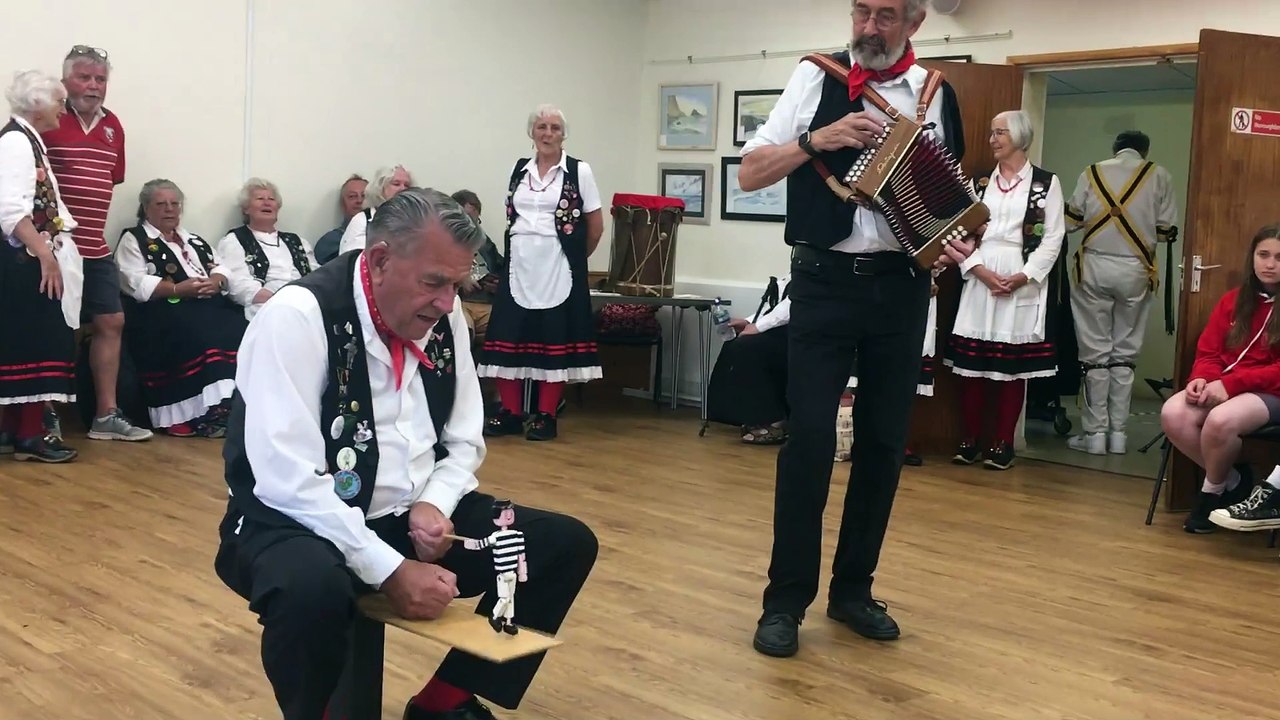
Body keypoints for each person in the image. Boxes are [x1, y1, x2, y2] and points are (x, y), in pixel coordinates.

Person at [213, 188, 597, 720]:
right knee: (311, 589)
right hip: (292, 522)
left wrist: (435, 502)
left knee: (561, 545)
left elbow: (464, 438)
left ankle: (443, 703)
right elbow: (285, 478)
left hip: (406, 518)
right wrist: (389, 569)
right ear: (379, 261)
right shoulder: (298, 315)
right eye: (433, 282)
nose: (446, 301)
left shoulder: (445, 311)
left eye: (456, 285)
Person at [737, 0, 972, 658]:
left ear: (915, 23)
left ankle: (852, 593)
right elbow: (751, 171)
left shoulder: (936, 94)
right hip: (823, 285)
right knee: (809, 442)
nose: (868, 27)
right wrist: (821, 139)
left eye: (886, 15)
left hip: (902, 291)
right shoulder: (814, 77)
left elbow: (942, 202)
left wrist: (949, 240)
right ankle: (784, 602)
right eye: (861, 11)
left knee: (882, 444)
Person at [40, 45, 152, 442]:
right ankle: (44, 416)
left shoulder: (113, 126)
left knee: (111, 321)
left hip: (95, 246)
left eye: (100, 79)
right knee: (52, 329)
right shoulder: (48, 116)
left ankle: (106, 414)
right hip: (54, 247)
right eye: (85, 77)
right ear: (65, 80)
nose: (93, 86)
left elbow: (111, 178)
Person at [945, 110, 1065, 470]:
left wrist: (1024, 276)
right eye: (991, 133)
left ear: (1020, 137)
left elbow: (1054, 236)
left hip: (1021, 277)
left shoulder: (1046, 183)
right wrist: (977, 269)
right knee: (973, 366)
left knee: (1011, 369)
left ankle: (1002, 442)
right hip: (980, 272)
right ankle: (969, 439)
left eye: (1000, 133)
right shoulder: (979, 183)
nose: (993, 139)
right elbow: (958, 232)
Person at [477, 105, 604, 442]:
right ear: (532, 132)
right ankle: (511, 412)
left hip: (558, 265)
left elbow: (595, 226)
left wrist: (573, 259)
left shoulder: (579, 171)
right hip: (519, 264)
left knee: (553, 337)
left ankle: (546, 415)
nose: (548, 133)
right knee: (509, 334)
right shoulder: (520, 169)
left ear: (564, 134)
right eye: (542, 127)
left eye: (555, 128)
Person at [1065, 130, 1179, 455]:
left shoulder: (1092, 171)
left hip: (1094, 268)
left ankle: (1095, 435)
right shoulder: (1160, 175)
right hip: (1137, 270)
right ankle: (1119, 435)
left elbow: (1072, 219)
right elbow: (1166, 230)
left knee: (1094, 355)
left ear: (1115, 150)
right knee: (1125, 355)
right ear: (1145, 150)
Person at [1161, 225, 1280, 533]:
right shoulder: (1233, 300)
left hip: (1271, 391)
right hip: (1226, 384)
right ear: (1251, 258)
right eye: (1263, 255)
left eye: (1279, 257)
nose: (1270, 264)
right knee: (1174, 413)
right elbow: (1209, 351)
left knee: (1221, 421)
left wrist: (1230, 385)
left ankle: (1210, 494)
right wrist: (1202, 377)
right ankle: (1234, 482)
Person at [114, 178, 246, 437]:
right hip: (161, 311)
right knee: (199, 332)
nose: (169, 209)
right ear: (146, 208)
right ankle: (201, 413)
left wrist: (216, 282)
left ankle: (230, 406)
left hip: (206, 306)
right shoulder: (134, 239)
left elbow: (219, 267)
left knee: (240, 328)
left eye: (175, 204)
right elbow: (133, 281)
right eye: (161, 204)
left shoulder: (193, 239)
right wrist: (177, 290)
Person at [0, 70, 80, 463]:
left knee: (26, 343)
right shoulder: (16, 142)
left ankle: (13, 430)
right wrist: (45, 255)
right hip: (23, 260)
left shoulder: (28, 141)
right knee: (35, 343)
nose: (64, 109)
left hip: (28, 257)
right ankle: (29, 434)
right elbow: (11, 210)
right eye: (59, 101)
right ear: (37, 103)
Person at [706, 273, 792, 445]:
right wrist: (748, 322)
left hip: (803, 333)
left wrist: (758, 327)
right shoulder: (795, 269)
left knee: (748, 347)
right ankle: (735, 414)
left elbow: (794, 304)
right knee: (735, 342)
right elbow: (776, 305)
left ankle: (773, 420)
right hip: (782, 329)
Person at [217, 177, 318, 322]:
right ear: (246, 208)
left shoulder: (298, 241)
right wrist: (278, 300)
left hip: (305, 303)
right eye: (259, 198)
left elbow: (316, 275)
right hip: (264, 308)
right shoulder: (235, 240)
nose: (267, 202)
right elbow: (237, 284)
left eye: (271, 198)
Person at [451, 189, 505, 340]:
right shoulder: (442, 240)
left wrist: (499, 285)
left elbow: (502, 267)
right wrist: (460, 280)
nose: (472, 226)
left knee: (507, 329)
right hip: (460, 304)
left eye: (476, 221)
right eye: (468, 220)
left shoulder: (484, 242)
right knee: (462, 330)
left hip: (487, 305)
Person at [337, 164, 413, 256]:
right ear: (380, 188)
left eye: (407, 185)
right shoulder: (362, 221)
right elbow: (354, 263)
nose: (402, 189)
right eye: (396, 184)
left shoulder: (415, 220)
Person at [313, 174, 367, 265]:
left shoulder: (386, 236)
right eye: (352, 196)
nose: (359, 200)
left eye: (364, 196)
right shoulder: (329, 242)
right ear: (342, 204)